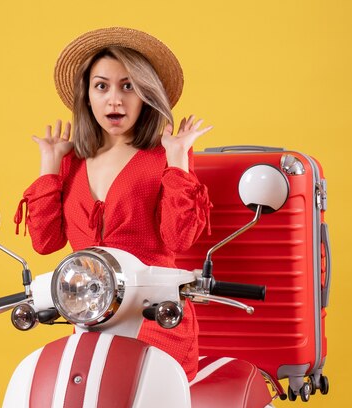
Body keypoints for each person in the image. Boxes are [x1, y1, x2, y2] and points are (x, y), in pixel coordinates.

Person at [14, 27, 212, 381]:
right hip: (91, 324)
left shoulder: (163, 155)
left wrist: (179, 157)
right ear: (87, 96)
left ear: (146, 94)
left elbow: (180, 240)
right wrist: (49, 165)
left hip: (156, 322)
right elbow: (45, 243)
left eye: (128, 86)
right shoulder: (71, 161)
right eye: (101, 86)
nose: (114, 101)